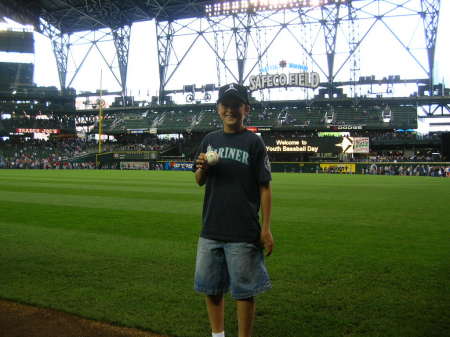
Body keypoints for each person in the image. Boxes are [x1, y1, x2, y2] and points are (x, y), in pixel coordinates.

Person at [192, 83, 274, 337]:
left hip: (244, 230)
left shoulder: (254, 142)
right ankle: (218, 335)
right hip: (211, 228)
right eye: (225, 105)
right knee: (211, 288)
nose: (230, 110)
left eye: (236, 105)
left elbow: (265, 187)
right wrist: (202, 168)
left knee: (244, 291)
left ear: (245, 109)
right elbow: (198, 180)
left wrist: (266, 228)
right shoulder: (210, 140)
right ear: (218, 109)